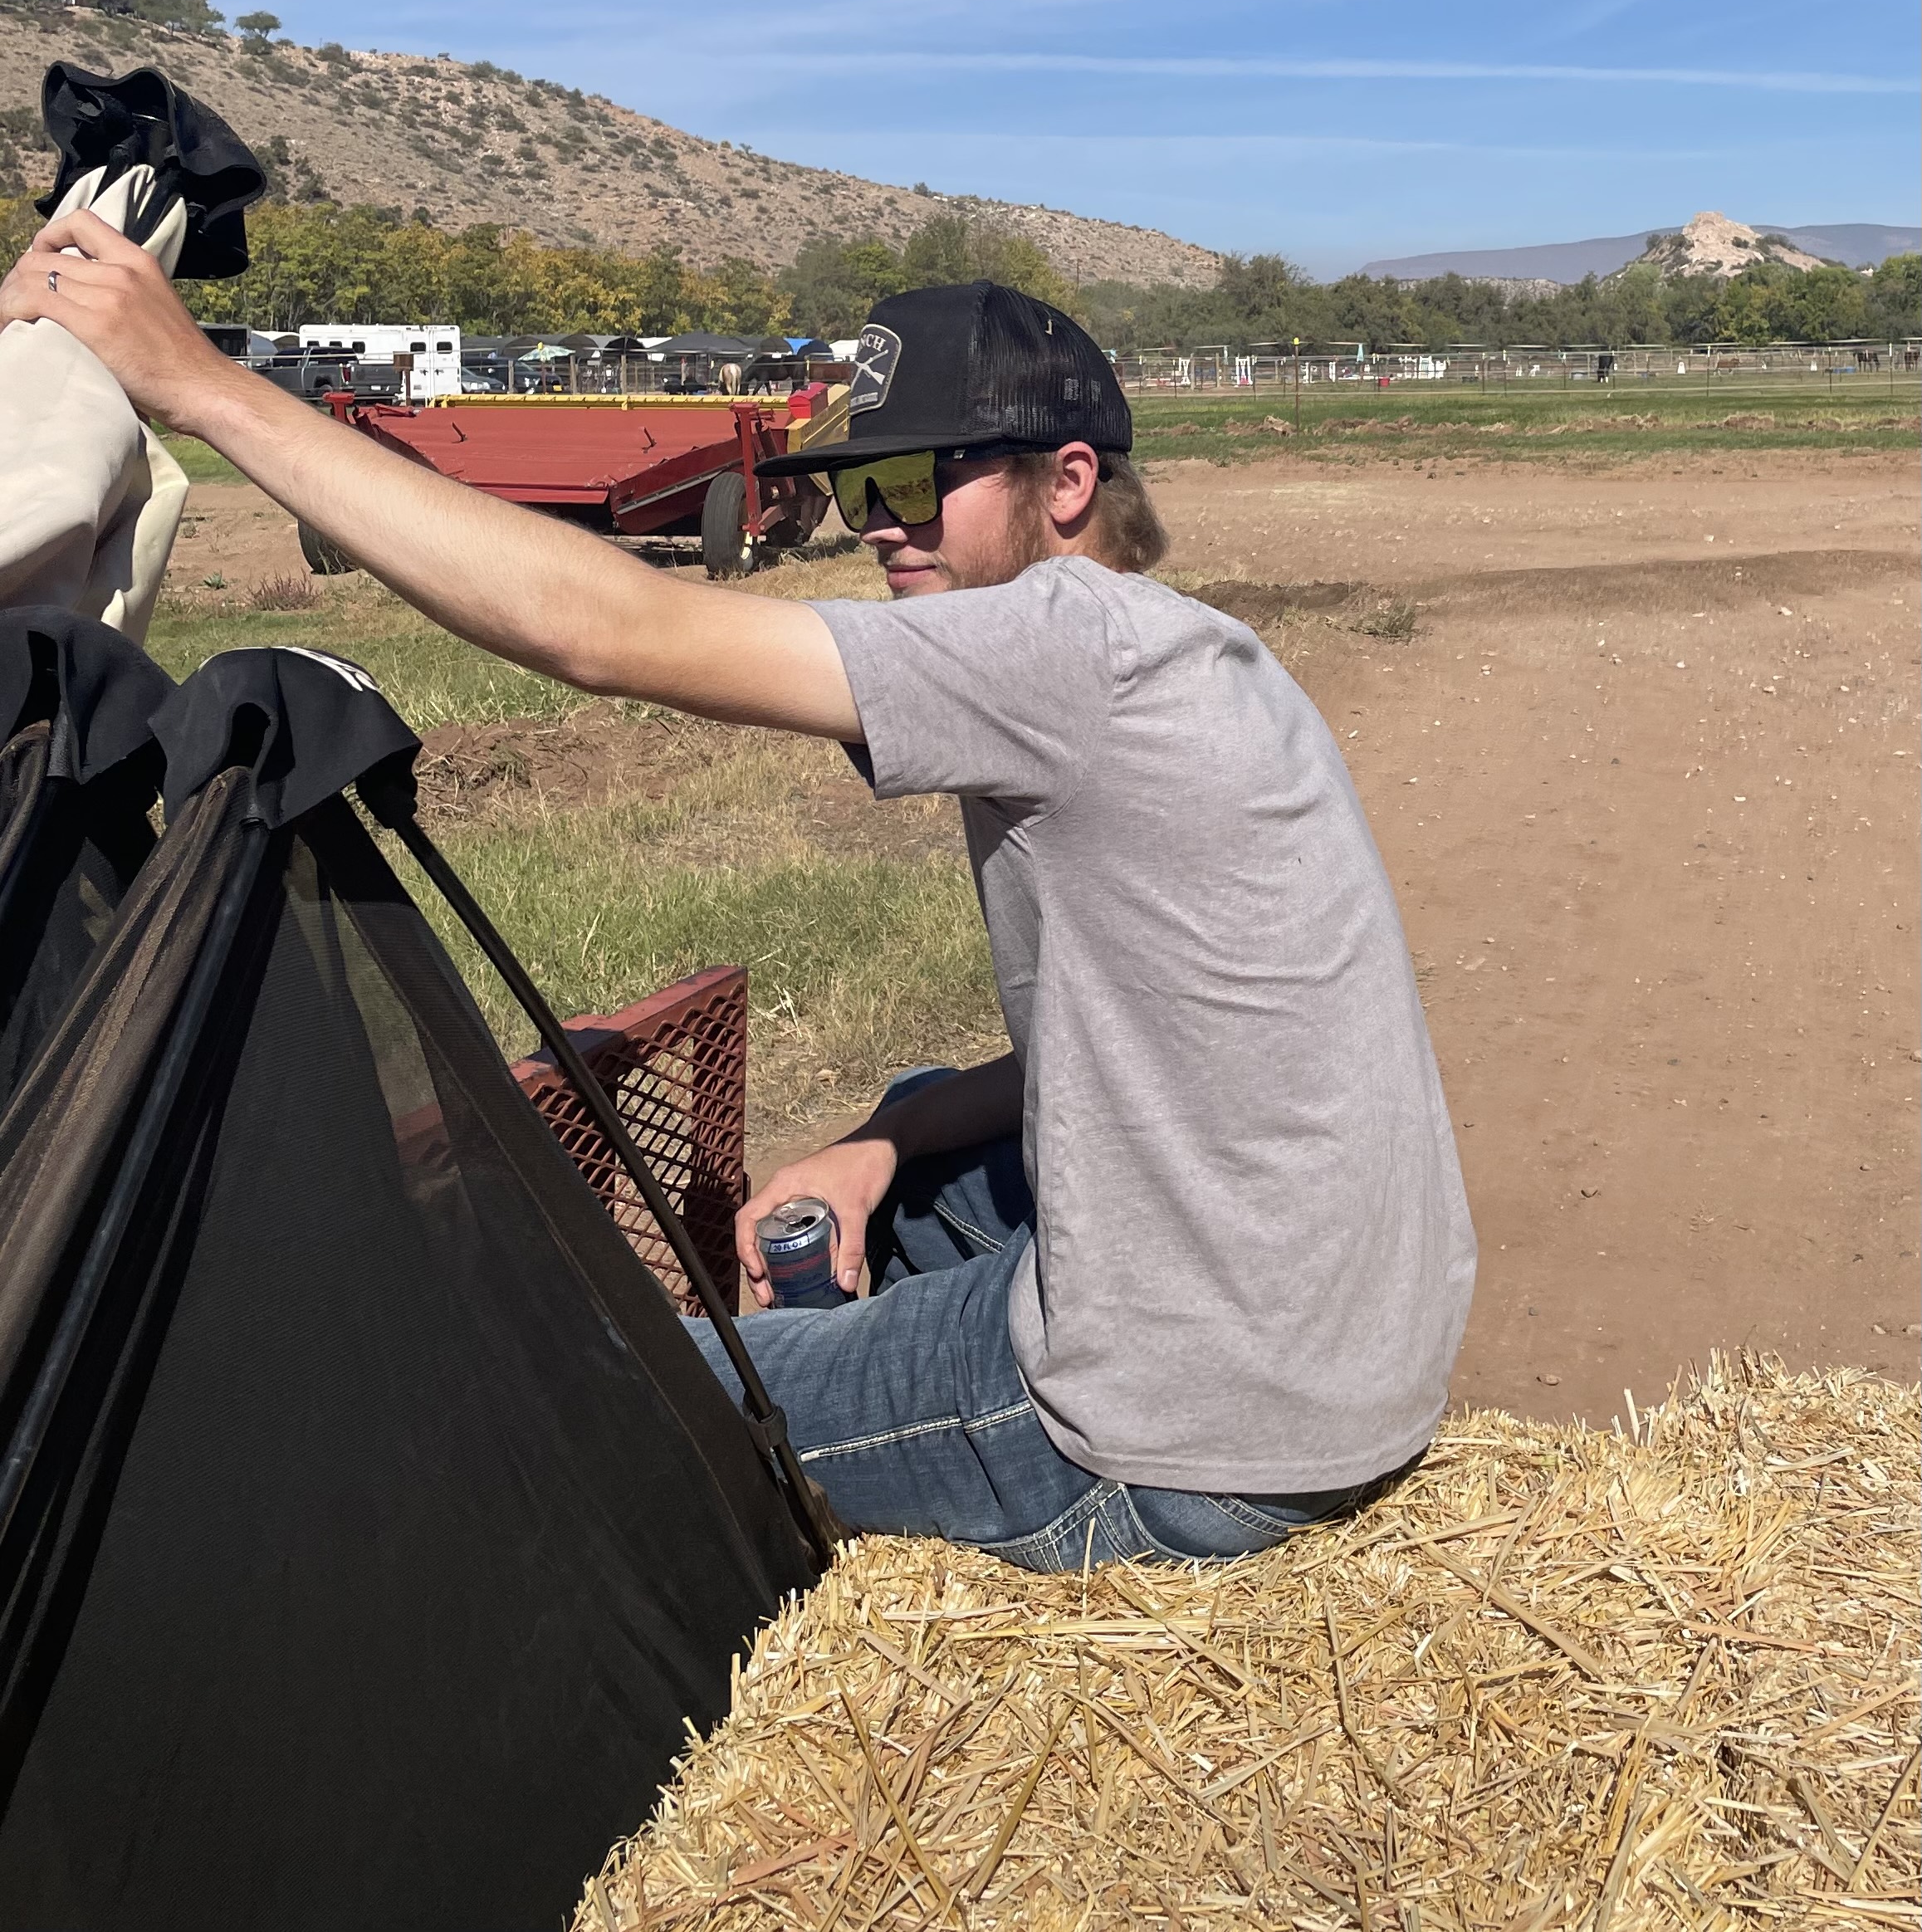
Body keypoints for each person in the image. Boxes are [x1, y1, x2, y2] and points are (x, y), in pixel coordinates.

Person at [1, 214, 1476, 1572]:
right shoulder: (1189, 655)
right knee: (906, 1123)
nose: (881, 526)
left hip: (1197, 1441)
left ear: (1067, 485)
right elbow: (1143, 1054)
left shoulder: (1060, 642)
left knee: (621, 1396)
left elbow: (605, 627)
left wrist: (204, 390)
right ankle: (863, 1310)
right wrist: (880, 1141)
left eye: (915, 483)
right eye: (854, 490)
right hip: (1342, 1358)